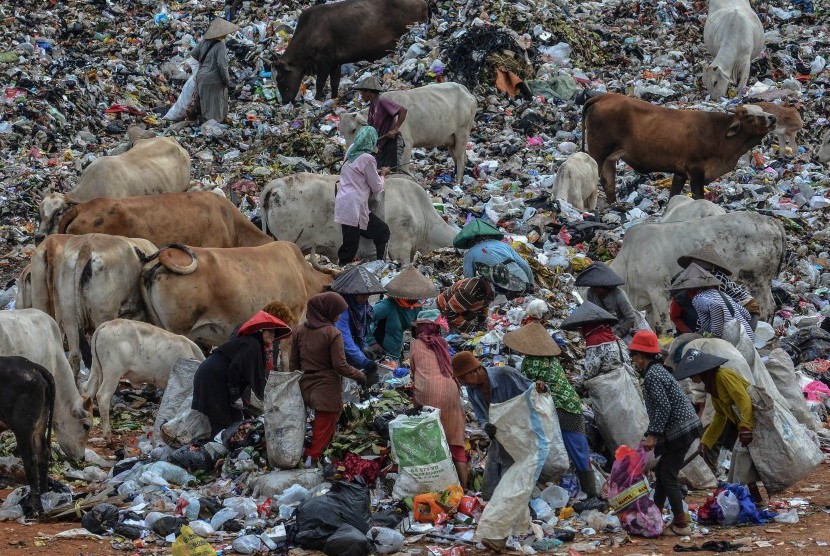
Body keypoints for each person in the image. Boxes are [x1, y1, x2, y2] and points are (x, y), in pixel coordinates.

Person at [452, 351, 548, 551]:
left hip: (524, 438)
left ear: (475, 370)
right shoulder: (473, 390)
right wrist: (487, 425)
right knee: (493, 487)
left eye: (463, 377)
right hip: (502, 441)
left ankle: (499, 535)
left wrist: (540, 387)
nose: (462, 382)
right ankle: (521, 527)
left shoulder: (505, 374)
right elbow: (481, 415)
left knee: (510, 487)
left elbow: (532, 391)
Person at [503, 322, 600, 502]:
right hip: (572, 404)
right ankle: (589, 490)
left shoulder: (530, 362)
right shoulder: (552, 360)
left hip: (560, 408)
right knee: (579, 447)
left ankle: (591, 493)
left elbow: (527, 389)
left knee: (566, 447)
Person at [628, 331, 702, 536]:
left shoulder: (653, 375)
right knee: (662, 473)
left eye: (634, 357)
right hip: (682, 428)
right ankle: (654, 517)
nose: (634, 361)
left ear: (641, 357)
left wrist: (653, 435)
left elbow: (663, 408)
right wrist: (651, 433)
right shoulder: (658, 371)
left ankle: (681, 524)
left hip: (680, 430)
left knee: (668, 476)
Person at [674, 348, 764, 505]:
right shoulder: (712, 385)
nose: (691, 377)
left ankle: (751, 500)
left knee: (741, 462)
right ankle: (756, 500)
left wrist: (745, 427)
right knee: (742, 463)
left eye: (692, 374)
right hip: (744, 424)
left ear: (701, 372)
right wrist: (706, 441)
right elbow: (720, 416)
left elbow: (744, 400)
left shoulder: (722, 377)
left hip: (754, 421)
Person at [290, 292, 368, 464]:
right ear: (327, 311)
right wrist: (360, 375)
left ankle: (307, 455)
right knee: (323, 430)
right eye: (337, 312)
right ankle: (313, 461)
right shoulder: (332, 333)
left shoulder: (300, 331)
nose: (339, 316)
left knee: (310, 427)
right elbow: (340, 366)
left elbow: (293, 365)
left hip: (306, 386)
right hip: (326, 389)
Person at [192, 311, 291, 436]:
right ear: (260, 331)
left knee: (236, 421)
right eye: (269, 331)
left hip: (217, 378)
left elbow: (253, 376)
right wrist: (235, 395)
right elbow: (234, 369)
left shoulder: (254, 345)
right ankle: (216, 449)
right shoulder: (252, 345)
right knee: (223, 422)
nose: (272, 335)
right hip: (213, 379)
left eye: (274, 332)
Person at [410, 310, 469, 487]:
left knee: (430, 441)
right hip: (450, 390)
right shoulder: (442, 343)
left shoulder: (415, 345)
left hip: (427, 393)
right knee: (455, 442)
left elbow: (414, 373)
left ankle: (434, 486)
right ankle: (465, 490)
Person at [335, 125, 391, 265]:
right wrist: (383, 174)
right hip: (355, 205)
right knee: (383, 231)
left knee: (352, 240)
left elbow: (358, 173)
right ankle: (380, 265)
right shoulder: (368, 158)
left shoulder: (350, 153)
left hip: (343, 202)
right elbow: (377, 187)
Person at [678, 245, 761, 329]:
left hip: (748, 308)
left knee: (743, 337)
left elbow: (716, 305)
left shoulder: (716, 278)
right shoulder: (708, 279)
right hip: (739, 308)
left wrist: (701, 330)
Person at [330, 264, 387, 385]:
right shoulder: (342, 307)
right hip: (335, 350)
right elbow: (344, 338)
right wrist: (363, 360)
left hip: (351, 350)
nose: (365, 298)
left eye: (367, 295)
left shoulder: (363, 307)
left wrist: (364, 346)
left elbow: (363, 331)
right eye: (362, 295)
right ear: (353, 293)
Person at [367, 266, 438, 361]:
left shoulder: (416, 307)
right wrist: (372, 342)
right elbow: (362, 320)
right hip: (378, 350)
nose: (414, 299)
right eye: (411, 296)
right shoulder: (386, 306)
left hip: (396, 352)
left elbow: (416, 327)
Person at [669, 263, 755, 341]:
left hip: (733, 341)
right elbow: (746, 314)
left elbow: (715, 307)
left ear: (691, 290)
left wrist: (715, 334)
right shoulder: (722, 294)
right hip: (749, 338)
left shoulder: (698, 298)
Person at [560, 301, 637, 385]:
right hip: (627, 379)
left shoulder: (595, 340)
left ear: (586, 328)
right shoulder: (613, 337)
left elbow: (591, 370)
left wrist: (579, 385)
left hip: (613, 384)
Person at [455, 218, 534, 291]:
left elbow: (469, 280)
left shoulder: (470, 254)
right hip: (523, 282)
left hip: (503, 289)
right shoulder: (504, 245)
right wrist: (531, 285)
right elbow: (524, 265)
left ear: (469, 241)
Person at [575, 262, 645, 341]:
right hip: (607, 327)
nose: (593, 289)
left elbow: (630, 318)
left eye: (596, 287)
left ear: (604, 286)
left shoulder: (619, 295)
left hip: (626, 328)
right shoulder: (591, 293)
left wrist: (618, 334)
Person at [190, 18, 238, 123]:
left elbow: (193, 53)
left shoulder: (203, 42)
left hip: (202, 76)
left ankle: (205, 123)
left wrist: (205, 64)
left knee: (205, 102)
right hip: (214, 79)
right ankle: (214, 124)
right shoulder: (220, 46)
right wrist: (226, 80)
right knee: (216, 104)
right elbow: (222, 65)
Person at [354, 76, 408, 169]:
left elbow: (403, 111)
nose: (361, 95)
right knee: (380, 172)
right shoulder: (372, 105)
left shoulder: (382, 101)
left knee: (392, 172)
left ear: (369, 92)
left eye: (362, 92)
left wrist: (395, 129)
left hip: (391, 143)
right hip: (381, 145)